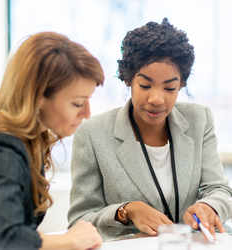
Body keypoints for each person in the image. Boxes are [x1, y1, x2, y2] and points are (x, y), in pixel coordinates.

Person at [0, 32, 104, 250]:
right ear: (38, 95)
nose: (87, 113)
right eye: (78, 103)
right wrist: (72, 239)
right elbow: (6, 239)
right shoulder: (0, 145)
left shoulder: (29, 136)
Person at [67, 18, 232, 242]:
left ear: (181, 84)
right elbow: (79, 221)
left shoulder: (199, 119)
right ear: (128, 79)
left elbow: (219, 189)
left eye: (170, 88)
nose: (156, 99)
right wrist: (125, 211)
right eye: (145, 86)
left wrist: (208, 206)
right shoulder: (93, 133)